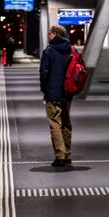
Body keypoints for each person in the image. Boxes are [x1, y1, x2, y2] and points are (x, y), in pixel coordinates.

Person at [39, 24, 73, 168]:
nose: (48, 36)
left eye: (49, 34)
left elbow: (44, 73)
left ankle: (60, 155)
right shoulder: (70, 49)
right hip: (67, 91)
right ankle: (67, 154)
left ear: (55, 34)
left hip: (53, 92)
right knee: (66, 123)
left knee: (55, 123)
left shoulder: (49, 51)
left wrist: (44, 89)